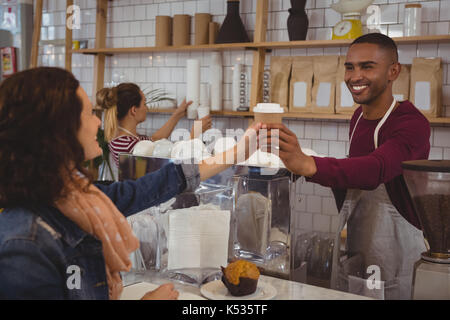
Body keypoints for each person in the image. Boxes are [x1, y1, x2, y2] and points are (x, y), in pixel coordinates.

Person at [0, 67, 259, 300]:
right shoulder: (25, 245)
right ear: (60, 132)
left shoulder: (80, 199)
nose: (99, 122)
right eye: (90, 113)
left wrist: (236, 153)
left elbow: (156, 185)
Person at [263, 33, 430, 300]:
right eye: (350, 67)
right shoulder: (357, 118)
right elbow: (353, 178)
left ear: (393, 71)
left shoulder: (412, 124)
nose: (355, 76)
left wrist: (309, 164)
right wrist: (296, 170)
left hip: (397, 255)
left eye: (367, 66)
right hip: (359, 247)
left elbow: (376, 170)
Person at [97, 83, 212, 168]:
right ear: (133, 110)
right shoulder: (126, 145)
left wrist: (177, 114)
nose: (146, 108)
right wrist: (195, 134)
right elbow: (175, 168)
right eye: (144, 103)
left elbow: (154, 140)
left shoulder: (129, 139)